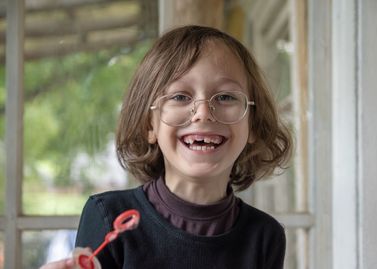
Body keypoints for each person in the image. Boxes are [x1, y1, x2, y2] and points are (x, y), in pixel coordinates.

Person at [40, 25, 292, 269]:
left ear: (254, 125)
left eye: (226, 97)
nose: (203, 113)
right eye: (180, 96)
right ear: (150, 124)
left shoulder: (265, 236)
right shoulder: (107, 216)